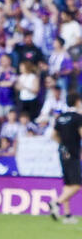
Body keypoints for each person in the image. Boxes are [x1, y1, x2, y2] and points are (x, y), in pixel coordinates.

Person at [51, 93, 82, 224]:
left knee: (68, 184)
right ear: (77, 102)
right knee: (77, 185)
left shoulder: (61, 117)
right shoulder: (78, 117)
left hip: (62, 152)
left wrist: (63, 146)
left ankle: (68, 215)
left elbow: (53, 135)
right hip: (73, 153)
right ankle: (56, 203)